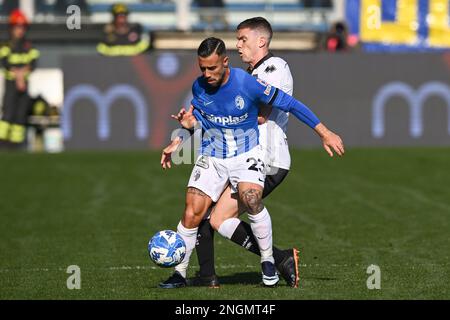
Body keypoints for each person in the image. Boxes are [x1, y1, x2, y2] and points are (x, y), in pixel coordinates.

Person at [159, 37, 344, 288]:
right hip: (213, 154)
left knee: (251, 199)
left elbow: (290, 104)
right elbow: (201, 121)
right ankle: (179, 274)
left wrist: (324, 132)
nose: (207, 74)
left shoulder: (247, 83)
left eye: (212, 68)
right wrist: (179, 139)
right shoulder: (199, 87)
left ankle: (268, 262)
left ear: (225, 62)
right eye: (202, 68)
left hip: (246, 153)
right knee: (192, 212)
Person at [188, 17, 302, 288]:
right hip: (240, 155)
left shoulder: (273, 69)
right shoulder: (251, 76)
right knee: (213, 217)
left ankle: (274, 260)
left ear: (261, 41)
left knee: (211, 213)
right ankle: (211, 276)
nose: (237, 45)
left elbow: (260, 116)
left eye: (242, 39)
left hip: (266, 158)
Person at [0, 9, 39, 147]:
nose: (20, 30)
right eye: (17, 27)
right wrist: (19, 76)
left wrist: (22, 74)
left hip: (24, 88)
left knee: (20, 116)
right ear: (12, 28)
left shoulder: (29, 46)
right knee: (8, 115)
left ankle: (16, 146)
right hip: (11, 86)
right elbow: (5, 64)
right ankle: (2, 144)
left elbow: (33, 64)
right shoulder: (6, 46)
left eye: (22, 27)